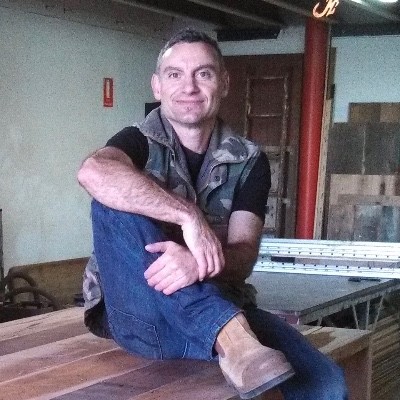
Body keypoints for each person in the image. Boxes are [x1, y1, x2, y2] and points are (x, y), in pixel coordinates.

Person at [78, 28, 348, 400]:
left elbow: (244, 257)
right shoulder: (136, 143)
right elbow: (92, 173)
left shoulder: (249, 161)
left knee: (327, 384)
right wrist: (189, 217)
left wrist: (198, 264)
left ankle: (228, 333)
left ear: (224, 83)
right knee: (111, 196)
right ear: (157, 86)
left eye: (203, 73)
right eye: (175, 74)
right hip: (142, 315)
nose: (189, 87)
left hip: (223, 303)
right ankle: (229, 336)